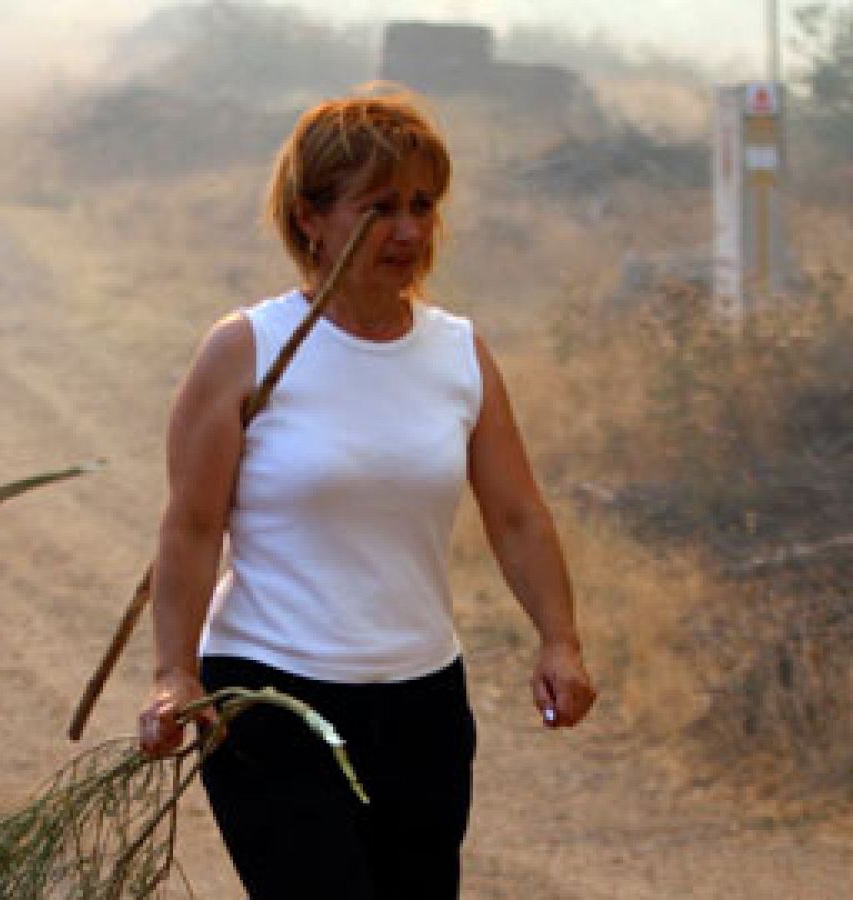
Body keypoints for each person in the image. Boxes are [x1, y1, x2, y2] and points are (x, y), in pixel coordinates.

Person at [137, 92, 597, 899]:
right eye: (379, 208)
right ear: (311, 217)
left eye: (423, 205)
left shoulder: (458, 353)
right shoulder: (248, 349)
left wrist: (559, 639)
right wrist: (174, 672)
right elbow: (192, 526)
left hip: (424, 704)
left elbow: (518, 514)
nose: (410, 231)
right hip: (270, 695)